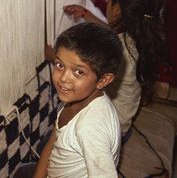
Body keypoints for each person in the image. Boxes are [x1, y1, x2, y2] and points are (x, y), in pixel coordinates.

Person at [57, 0, 166, 138]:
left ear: (117, 10)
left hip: (106, 131)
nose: (107, 4)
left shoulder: (120, 50)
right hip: (123, 123)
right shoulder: (140, 37)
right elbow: (112, 33)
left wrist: (54, 57)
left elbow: (83, 68)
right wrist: (87, 13)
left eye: (109, 1)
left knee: (60, 119)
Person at [35, 22, 123, 178]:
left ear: (104, 80)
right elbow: (52, 143)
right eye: (59, 64)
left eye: (78, 72)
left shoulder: (89, 128)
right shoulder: (78, 98)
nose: (63, 79)